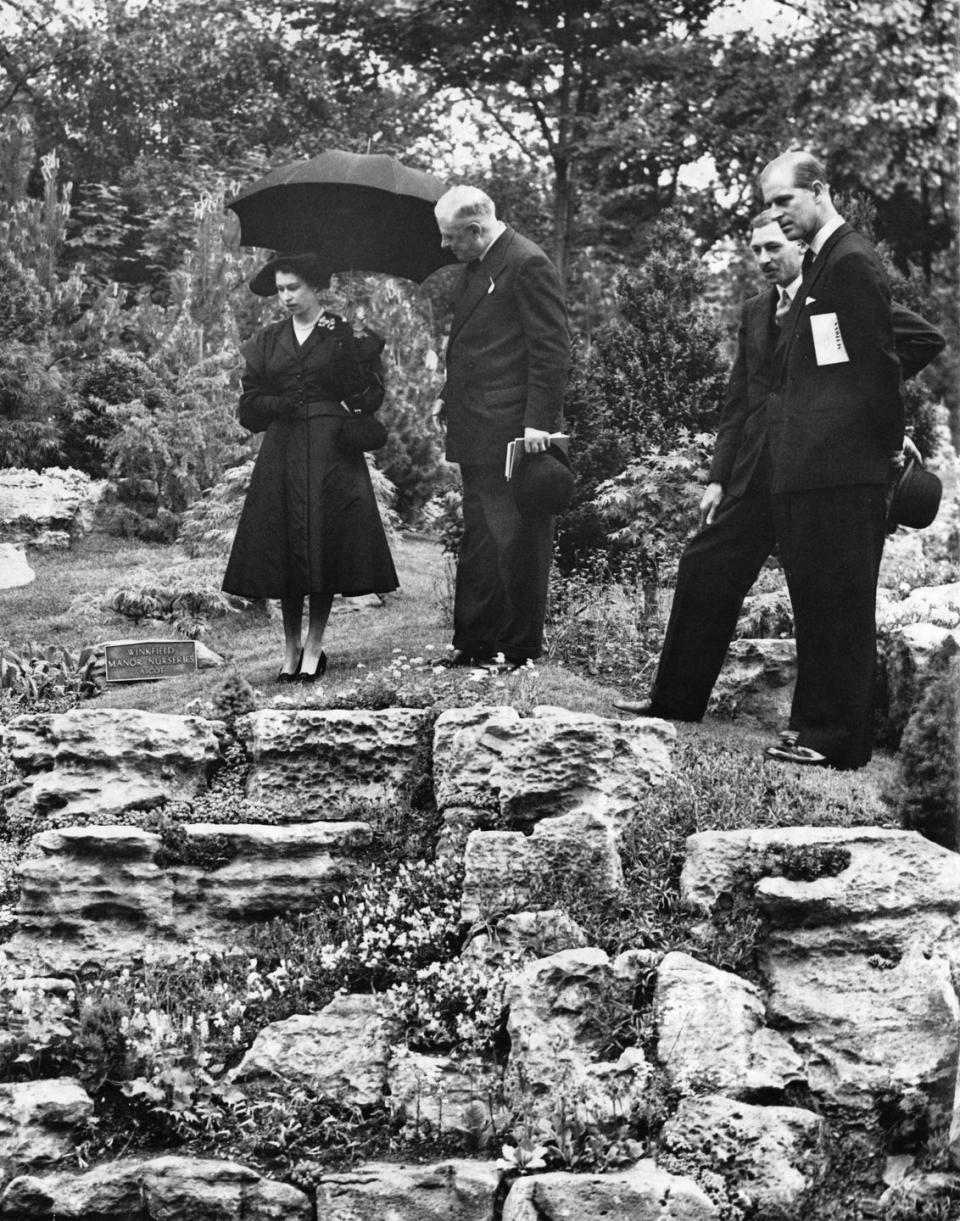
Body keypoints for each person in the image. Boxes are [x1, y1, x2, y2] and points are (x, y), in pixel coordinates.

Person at [614, 172, 945, 770]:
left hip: (821, 468)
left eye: (776, 242)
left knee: (828, 593)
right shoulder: (757, 311)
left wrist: (877, 430)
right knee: (704, 566)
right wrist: (718, 476)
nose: (767, 257)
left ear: (801, 241)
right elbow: (738, 401)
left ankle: (830, 733)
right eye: (758, 248)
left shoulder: (840, 278)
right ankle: (675, 699)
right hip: (758, 473)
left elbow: (893, 350)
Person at [222, 252, 398, 682]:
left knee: (323, 542)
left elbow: (368, 394)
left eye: (293, 287)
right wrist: (280, 403)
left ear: (314, 287)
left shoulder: (342, 332)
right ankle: (290, 649)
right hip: (282, 448)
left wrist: (356, 358)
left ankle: (315, 646)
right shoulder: (268, 339)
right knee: (285, 547)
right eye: (280, 289)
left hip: (330, 449)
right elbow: (249, 407)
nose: (286, 297)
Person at [432, 185, 571, 670]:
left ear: (475, 230)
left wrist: (538, 423)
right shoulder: (475, 268)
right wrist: (447, 395)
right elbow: (478, 346)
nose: (446, 247)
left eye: (452, 238)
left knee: (519, 542)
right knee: (481, 541)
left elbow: (551, 349)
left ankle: (518, 649)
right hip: (475, 430)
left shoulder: (526, 262)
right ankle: (474, 641)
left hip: (515, 432)